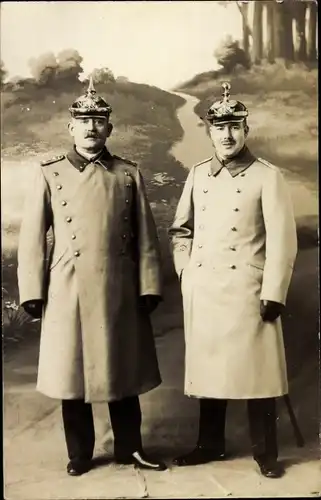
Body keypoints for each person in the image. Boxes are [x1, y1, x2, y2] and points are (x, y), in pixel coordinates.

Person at [17, 78, 166, 476]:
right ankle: (80, 453)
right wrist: (33, 290)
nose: (90, 127)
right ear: (70, 127)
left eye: (98, 120)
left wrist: (149, 283)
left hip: (119, 283)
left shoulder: (128, 173)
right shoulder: (49, 173)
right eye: (83, 120)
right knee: (73, 372)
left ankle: (130, 448)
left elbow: (147, 237)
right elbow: (32, 238)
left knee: (124, 370)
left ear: (109, 128)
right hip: (68, 285)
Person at [169, 82, 297, 478]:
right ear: (209, 132)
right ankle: (209, 445)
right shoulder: (197, 176)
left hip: (249, 291)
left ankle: (266, 453)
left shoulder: (267, 176)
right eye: (219, 128)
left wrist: (274, 292)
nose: (227, 135)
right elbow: (180, 230)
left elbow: (283, 240)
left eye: (235, 127)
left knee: (258, 374)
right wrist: (187, 271)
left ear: (246, 130)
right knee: (210, 372)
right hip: (205, 290)